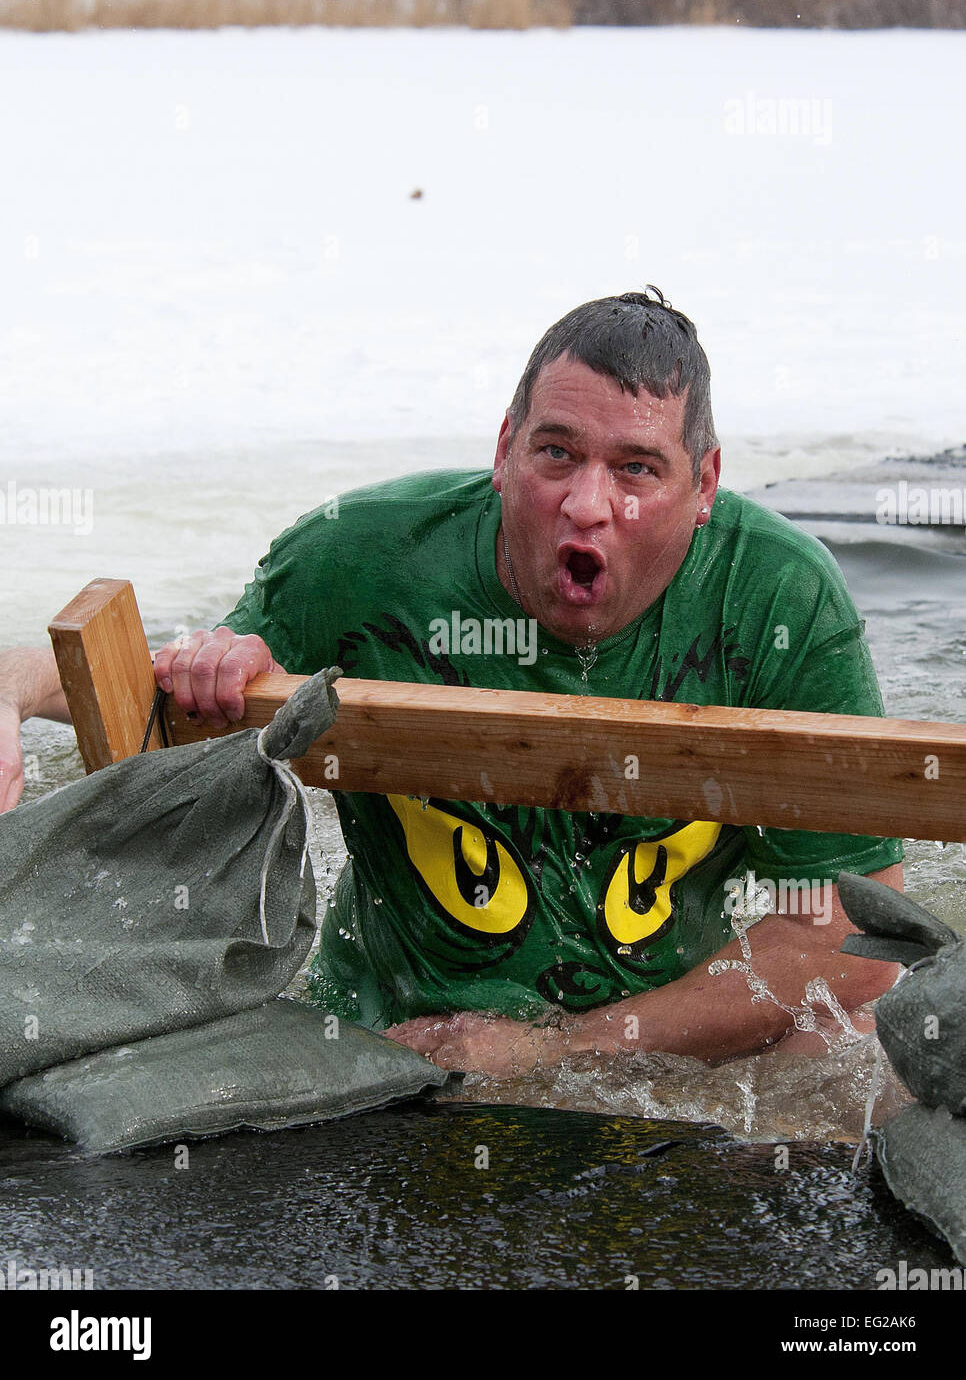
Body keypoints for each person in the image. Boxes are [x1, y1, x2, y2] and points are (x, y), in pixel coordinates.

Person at [0, 290, 903, 1075]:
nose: (588, 505)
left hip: (666, 1041)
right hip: (389, 1037)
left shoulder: (780, 598)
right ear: (505, 449)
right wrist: (10, 694)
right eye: (556, 454)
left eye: (636, 468)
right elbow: (153, 690)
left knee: (845, 1046)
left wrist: (564, 1052)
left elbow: (853, 941)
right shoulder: (361, 559)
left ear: (704, 484)